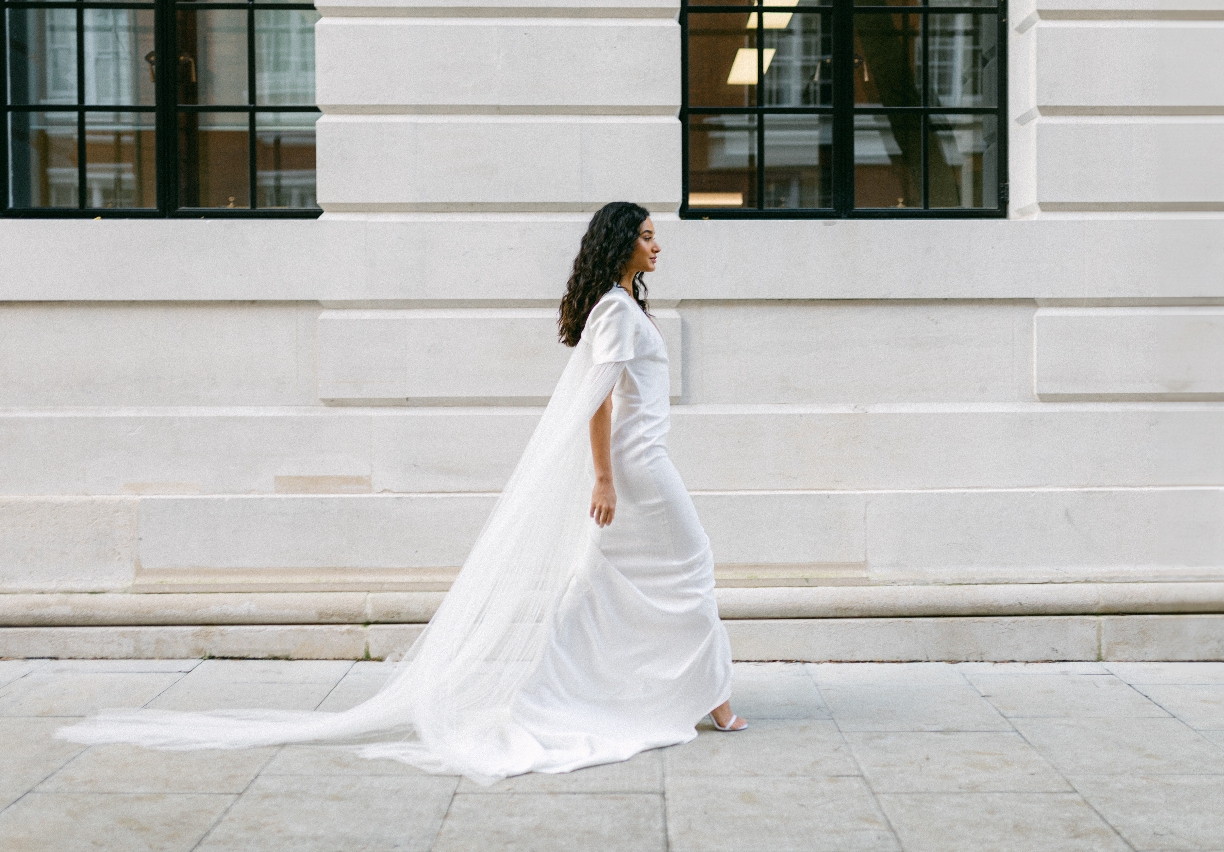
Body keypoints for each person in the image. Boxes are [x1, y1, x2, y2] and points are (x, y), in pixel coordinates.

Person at [59, 201, 744, 786]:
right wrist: (601, 476)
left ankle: (610, 692)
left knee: (603, 581)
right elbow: (596, 402)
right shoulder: (618, 312)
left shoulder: (620, 306)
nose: (659, 244)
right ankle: (701, 695)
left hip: (641, 460)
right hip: (641, 467)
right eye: (649, 234)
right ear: (622, 242)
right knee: (689, 565)